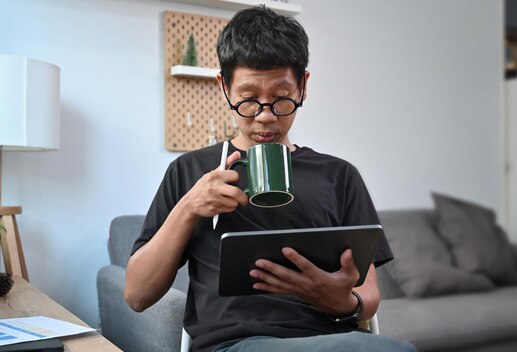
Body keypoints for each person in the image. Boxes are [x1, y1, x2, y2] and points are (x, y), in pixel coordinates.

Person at [125, 6, 416, 352]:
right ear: (224, 88)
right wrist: (189, 207)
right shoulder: (190, 172)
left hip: (329, 340)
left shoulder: (340, 176)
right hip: (233, 344)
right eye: (249, 100)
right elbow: (137, 295)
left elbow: (369, 294)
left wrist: (341, 301)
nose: (264, 117)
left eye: (280, 99)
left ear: (303, 87)